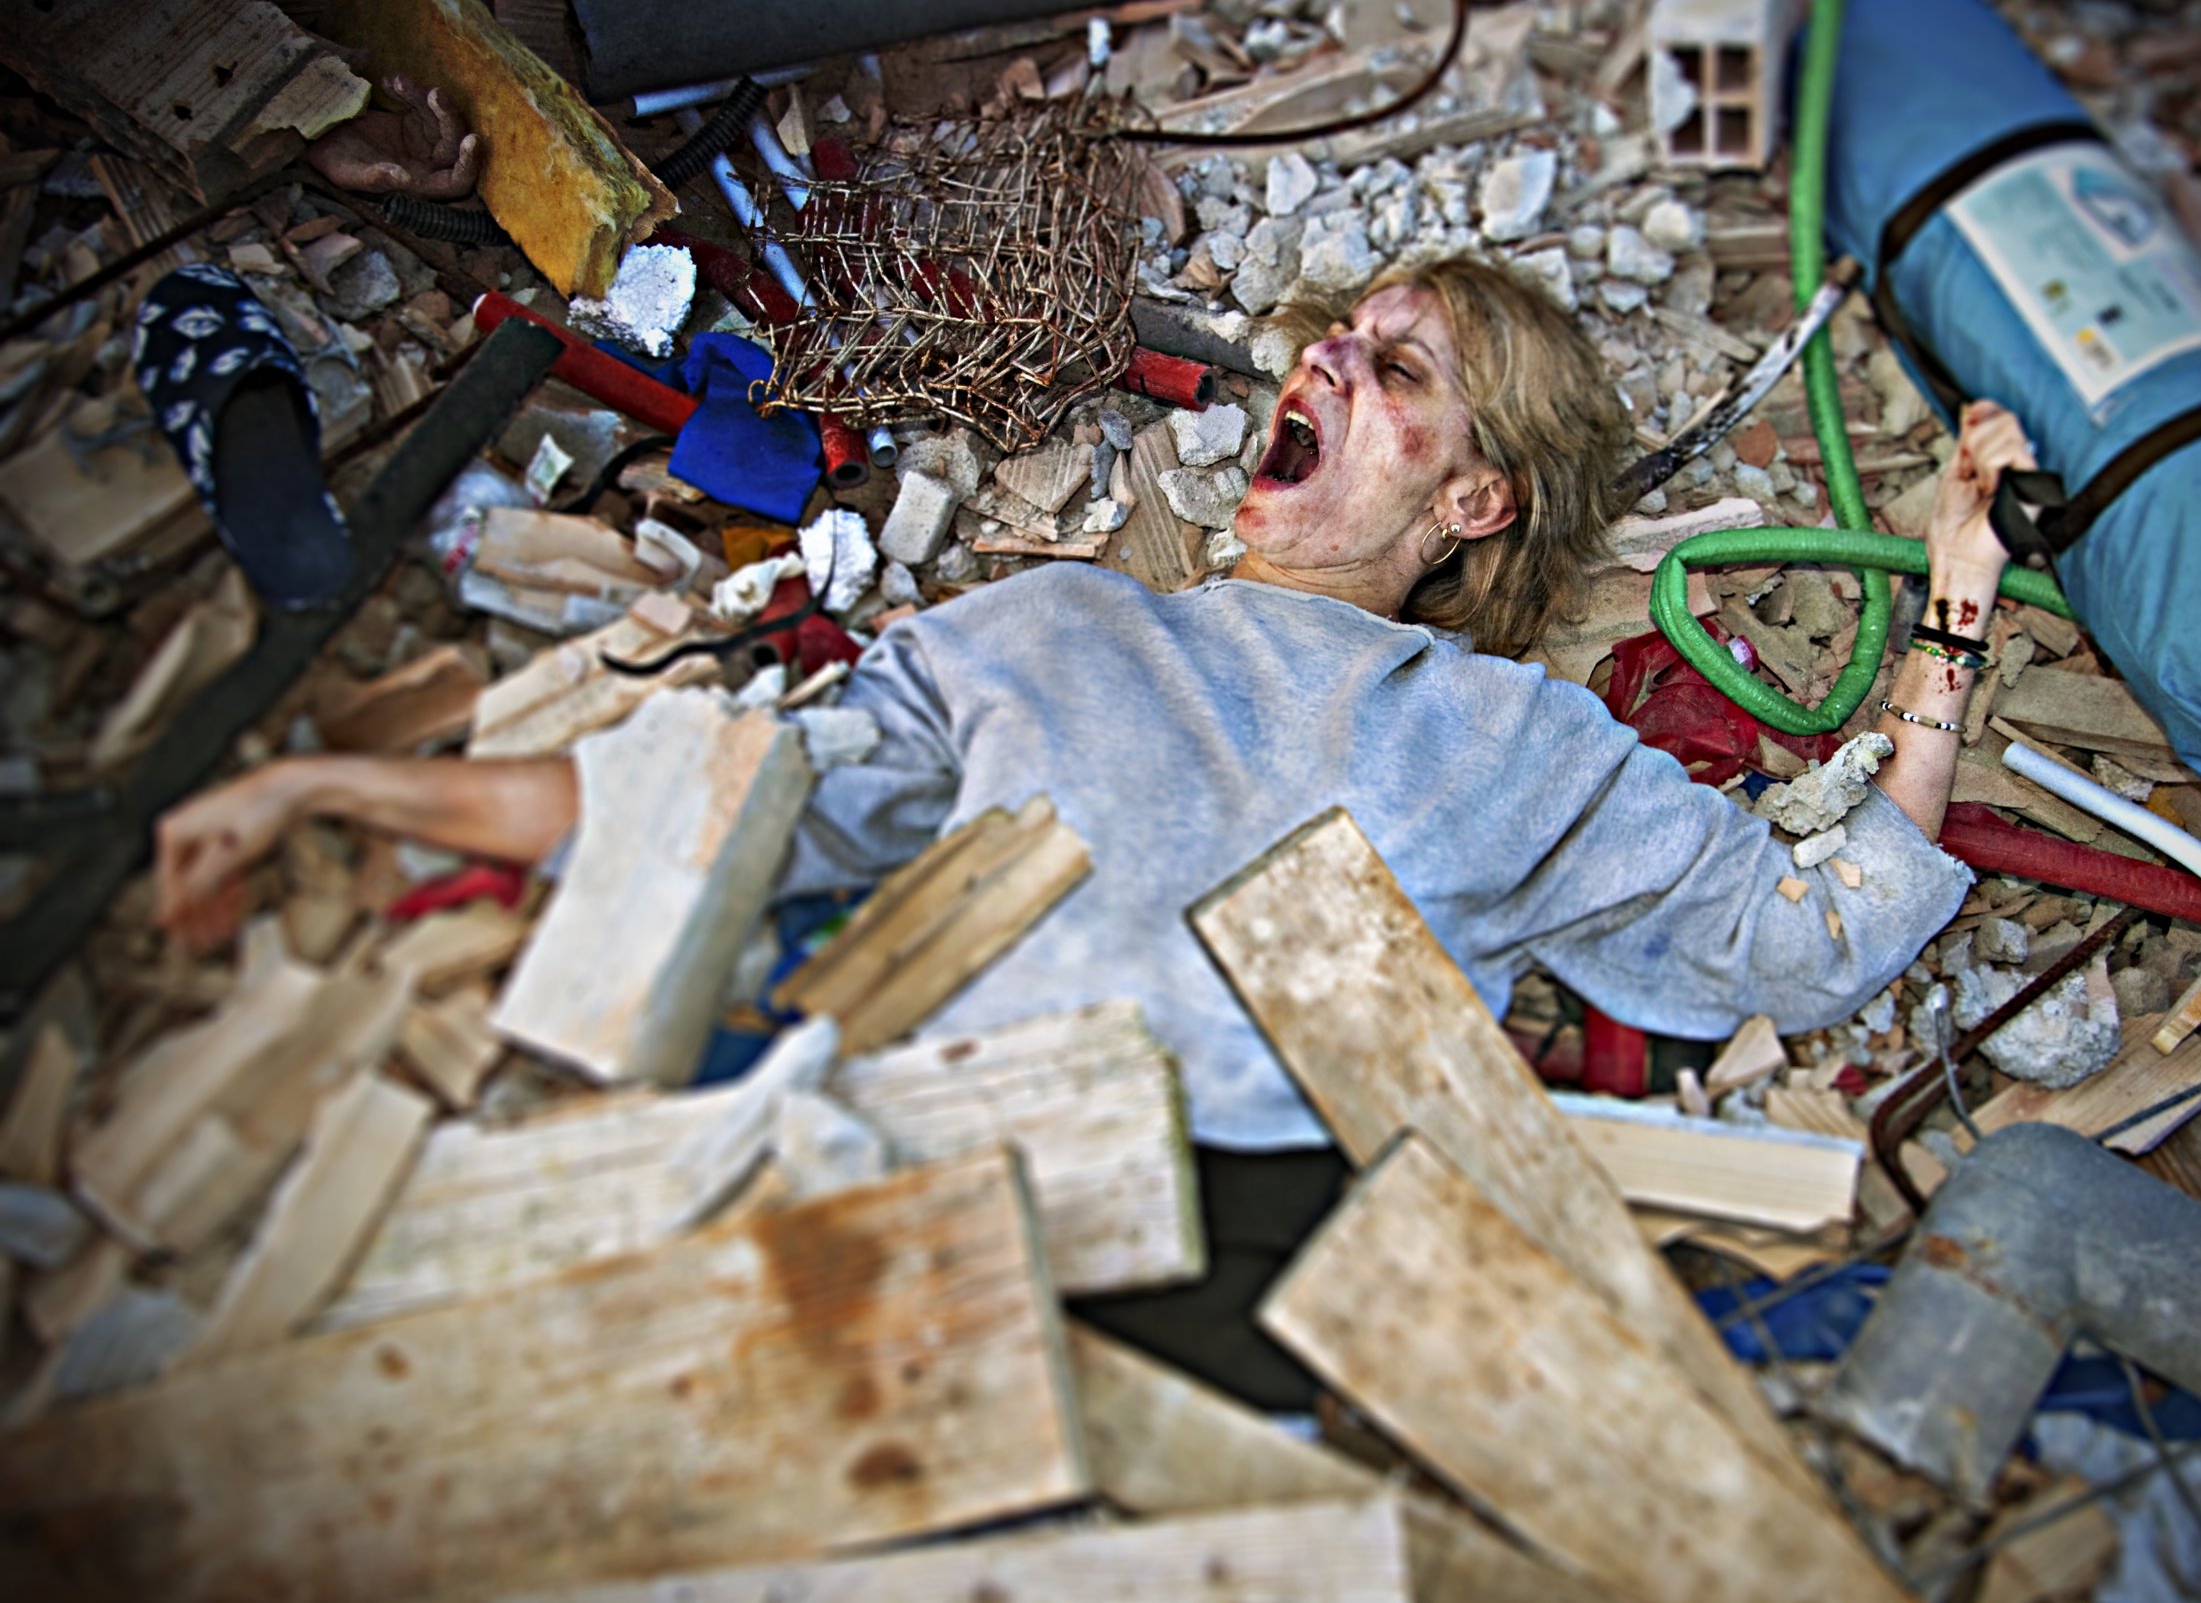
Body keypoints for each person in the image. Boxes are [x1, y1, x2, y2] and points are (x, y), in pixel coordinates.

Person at [154, 256, 2032, 1394]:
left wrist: (1955, 604)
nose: (1323, 366)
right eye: (1336, 340)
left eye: (1397, 375)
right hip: (903, 1179)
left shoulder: (1509, 739)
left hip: (1238, 1256)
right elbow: (722, 810)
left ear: (1474, 505)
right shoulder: (1047, 626)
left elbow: (1817, 937)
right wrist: (335, 782)